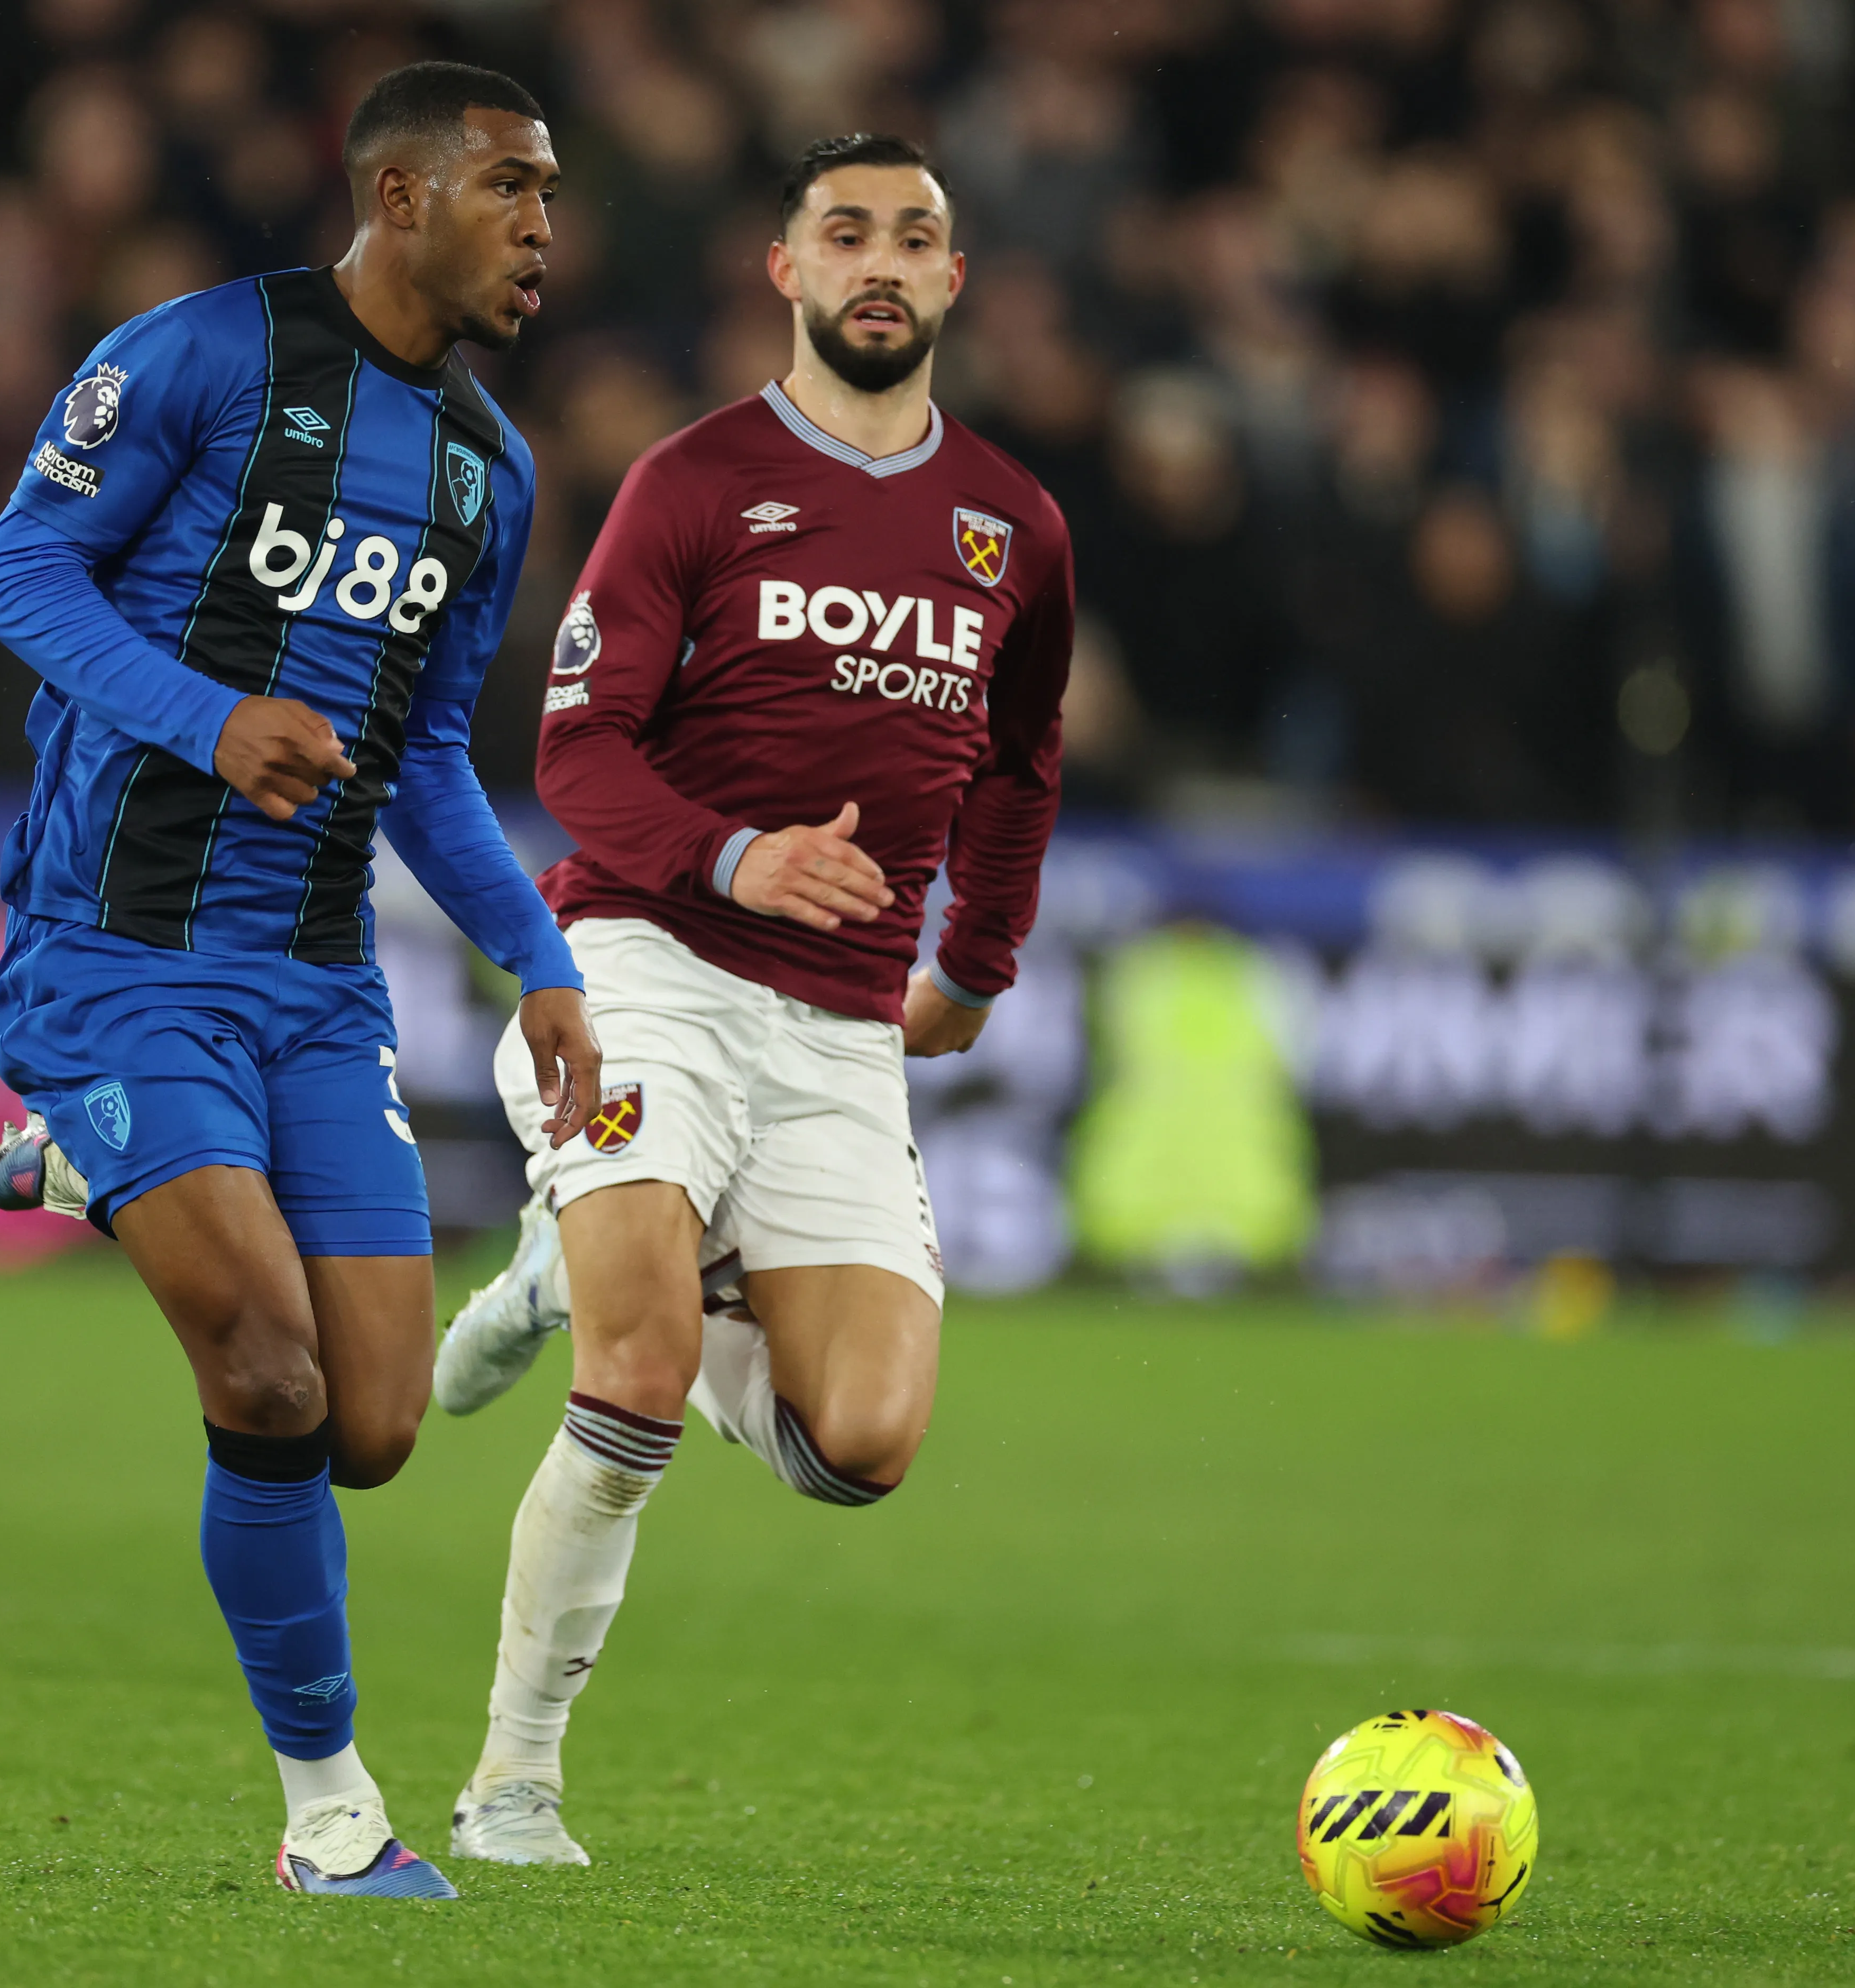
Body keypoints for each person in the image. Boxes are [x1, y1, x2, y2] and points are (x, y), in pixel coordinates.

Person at [0, 62, 601, 1900]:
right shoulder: (193, 357)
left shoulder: (490, 468)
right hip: (118, 952)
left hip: (316, 986)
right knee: (262, 1375)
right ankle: (330, 1814)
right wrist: (206, 715)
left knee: (377, 1426)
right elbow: (19, 568)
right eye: (510, 187)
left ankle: (88, 1174)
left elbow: (419, 764)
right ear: (399, 197)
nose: (543, 225)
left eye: (552, 195)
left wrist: (536, 960)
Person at [429, 132, 1075, 1866]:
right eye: (843, 232)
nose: (881, 261)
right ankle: (511, 1786)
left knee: (858, 1444)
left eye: (914, 238)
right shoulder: (694, 484)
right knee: (639, 1373)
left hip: (843, 1023)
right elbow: (575, 752)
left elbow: (1018, 772)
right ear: (781, 271)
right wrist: (734, 861)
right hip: (648, 965)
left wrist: (974, 967)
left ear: (952, 282)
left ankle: (563, 1264)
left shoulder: (1013, 525)